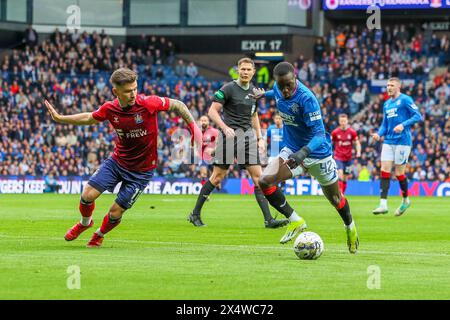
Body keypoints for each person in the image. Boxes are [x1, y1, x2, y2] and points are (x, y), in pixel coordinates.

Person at [44, 67, 202, 248]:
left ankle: (99, 234)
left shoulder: (149, 103)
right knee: (87, 195)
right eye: (128, 91)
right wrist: (60, 118)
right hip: (117, 162)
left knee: (115, 212)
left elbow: (178, 105)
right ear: (115, 91)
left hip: (142, 172)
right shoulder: (110, 109)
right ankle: (85, 223)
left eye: (135, 88)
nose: (133, 94)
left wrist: (194, 127)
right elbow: (90, 117)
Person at [251, 62, 359, 254]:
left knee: (335, 199)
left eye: (289, 85)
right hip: (292, 149)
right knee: (264, 181)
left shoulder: (307, 98)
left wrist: (303, 153)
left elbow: (319, 134)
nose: (285, 90)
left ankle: (350, 227)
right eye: (281, 85)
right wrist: (263, 94)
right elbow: (274, 92)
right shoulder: (278, 88)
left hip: (317, 155)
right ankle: (296, 221)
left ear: (295, 78)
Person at [187, 58, 288, 229]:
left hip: (248, 138)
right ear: (238, 70)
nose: (245, 72)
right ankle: (195, 214)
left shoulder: (255, 92)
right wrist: (224, 127)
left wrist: (260, 137)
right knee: (217, 177)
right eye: (243, 69)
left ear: (253, 71)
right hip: (228, 137)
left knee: (259, 179)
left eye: (249, 69)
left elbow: (254, 115)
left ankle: (268, 220)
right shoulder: (228, 88)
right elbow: (212, 111)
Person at [371, 77, 422, 216]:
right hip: (388, 141)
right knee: (384, 170)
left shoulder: (405, 100)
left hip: (403, 141)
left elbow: (418, 116)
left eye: (392, 85)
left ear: (398, 87)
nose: (389, 87)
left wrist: (403, 124)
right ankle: (383, 204)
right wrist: (379, 134)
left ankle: (406, 200)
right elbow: (385, 125)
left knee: (399, 173)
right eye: (387, 85)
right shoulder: (386, 104)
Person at [331, 114, 361, 194]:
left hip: (348, 159)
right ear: (339, 122)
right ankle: (340, 193)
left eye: (344, 121)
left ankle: (342, 194)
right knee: (340, 173)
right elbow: (330, 142)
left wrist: (358, 151)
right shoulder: (335, 132)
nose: (343, 123)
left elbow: (357, 142)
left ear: (347, 121)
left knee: (345, 177)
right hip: (338, 157)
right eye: (341, 121)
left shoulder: (352, 132)